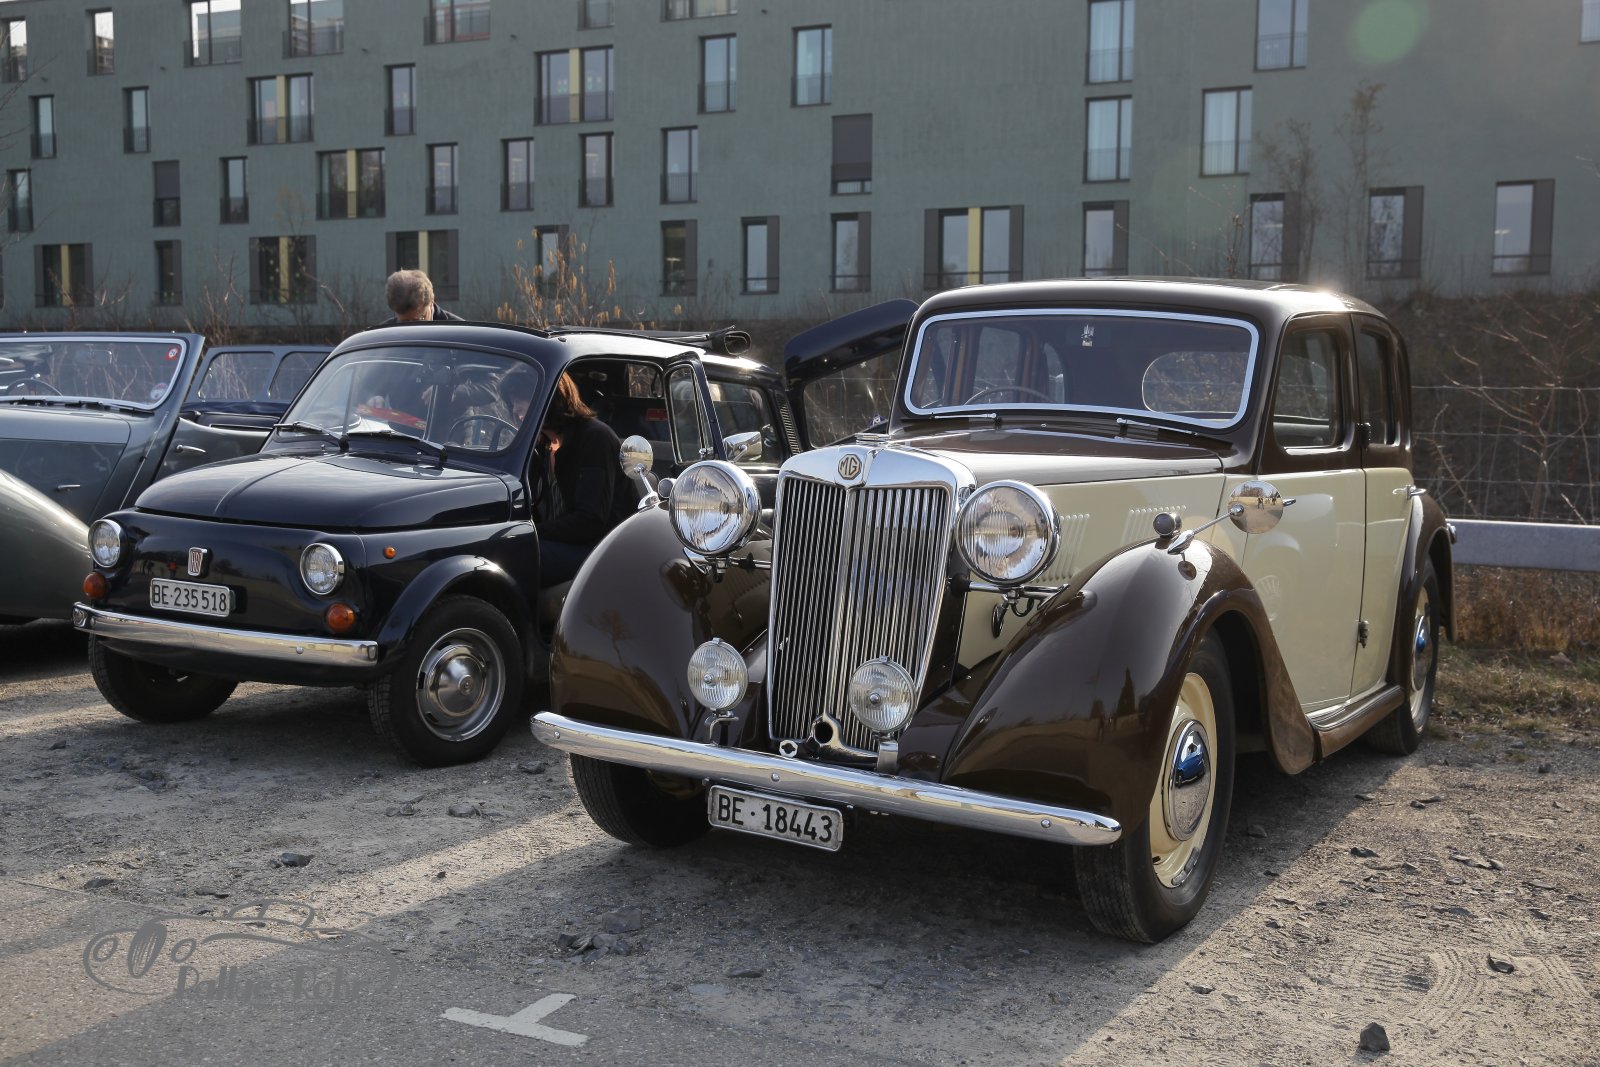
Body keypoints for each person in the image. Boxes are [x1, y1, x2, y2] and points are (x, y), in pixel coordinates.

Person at [535, 373, 636, 587]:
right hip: (560, 540)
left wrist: (534, 532)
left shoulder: (595, 438)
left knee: (521, 555)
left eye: (524, 400)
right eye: (513, 402)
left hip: (601, 549)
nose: (516, 409)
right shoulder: (540, 445)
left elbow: (591, 519)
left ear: (551, 399)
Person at [379, 269, 465, 325]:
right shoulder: (382, 335)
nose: (411, 328)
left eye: (419, 320)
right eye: (403, 322)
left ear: (431, 301)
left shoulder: (459, 332)